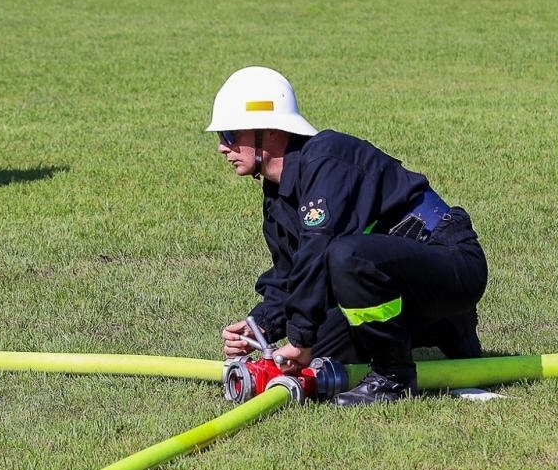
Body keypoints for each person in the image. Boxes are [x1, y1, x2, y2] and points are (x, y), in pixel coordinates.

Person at [209, 66, 488, 406]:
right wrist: (260, 327)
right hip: (397, 281)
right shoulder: (278, 198)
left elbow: (318, 250)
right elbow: (291, 275)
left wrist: (299, 336)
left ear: (268, 131)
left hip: (450, 264)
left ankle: (394, 378)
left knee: (346, 256)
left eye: (228, 134)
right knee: (317, 357)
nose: (223, 148)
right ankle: (435, 329)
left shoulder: (328, 159)